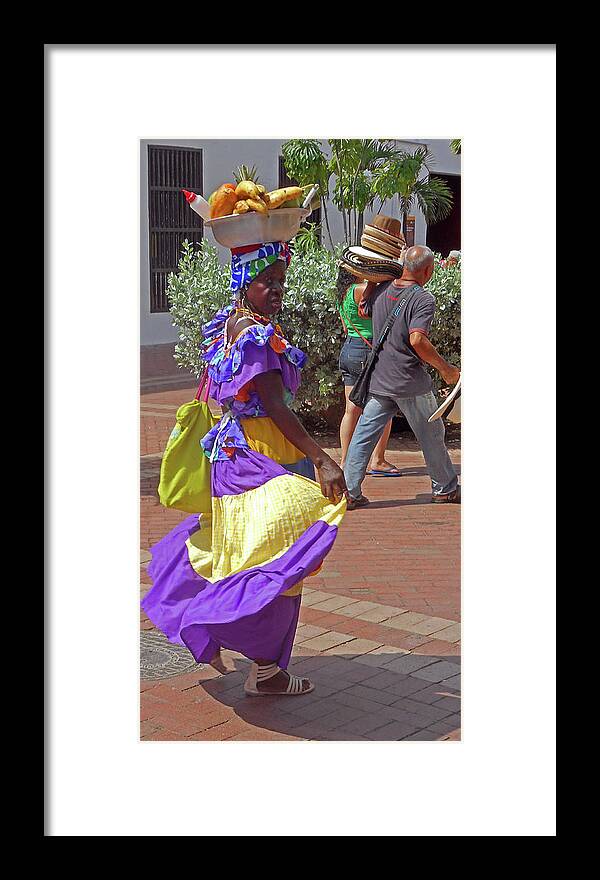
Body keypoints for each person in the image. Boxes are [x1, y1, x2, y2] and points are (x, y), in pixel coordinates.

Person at [142, 240, 348, 697]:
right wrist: (321, 456)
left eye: (280, 280)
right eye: (265, 281)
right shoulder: (254, 336)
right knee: (280, 559)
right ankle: (262, 666)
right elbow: (275, 405)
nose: (276, 288)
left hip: (233, 454)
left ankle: (202, 625)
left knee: (231, 547)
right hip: (261, 456)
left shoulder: (230, 324)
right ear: (243, 282)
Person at [343, 245, 460, 509]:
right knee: (431, 433)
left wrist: (374, 283)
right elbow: (417, 339)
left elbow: (364, 309)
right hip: (410, 382)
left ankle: (348, 491)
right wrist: (446, 369)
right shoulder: (422, 298)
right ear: (428, 270)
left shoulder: (383, 288)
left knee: (364, 434)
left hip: (381, 380)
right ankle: (445, 488)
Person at [336, 267, 399, 476]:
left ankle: (345, 461)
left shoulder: (343, 293)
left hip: (350, 348)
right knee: (384, 407)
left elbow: (346, 327)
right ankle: (378, 460)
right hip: (368, 350)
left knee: (351, 411)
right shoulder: (360, 289)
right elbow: (388, 286)